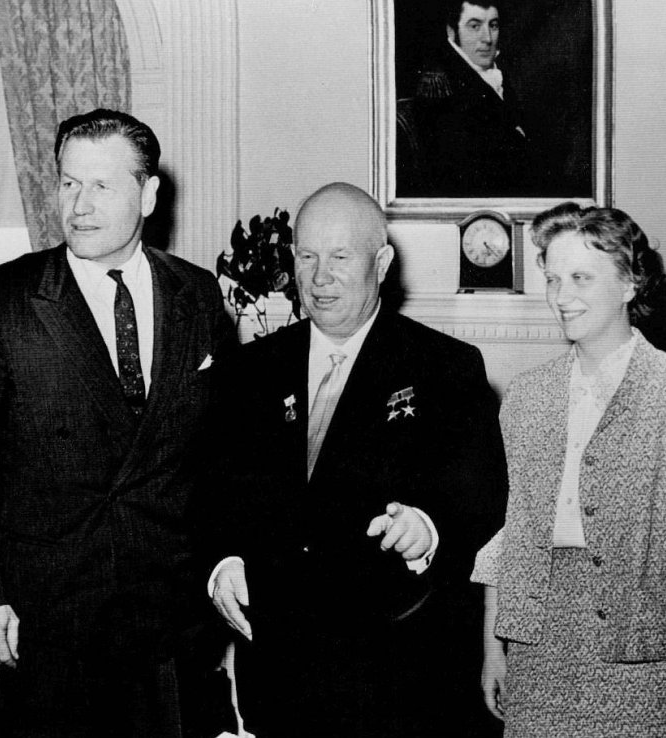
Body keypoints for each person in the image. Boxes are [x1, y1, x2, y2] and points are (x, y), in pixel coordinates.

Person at [0, 108, 237, 738]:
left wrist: (225, 561)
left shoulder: (199, 296)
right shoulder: (3, 301)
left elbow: (221, 453)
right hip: (48, 619)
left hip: (169, 617)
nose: (78, 204)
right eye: (68, 183)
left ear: (149, 194)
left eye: (102, 185)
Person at [200, 182, 507, 738]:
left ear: (382, 262)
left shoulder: (446, 367)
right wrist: (222, 563)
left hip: (397, 674)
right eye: (307, 256)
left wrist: (429, 527)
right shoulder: (249, 371)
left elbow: (481, 495)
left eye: (341, 257)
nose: (320, 277)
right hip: (277, 671)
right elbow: (212, 489)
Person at [473, 203, 666, 737]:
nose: (561, 296)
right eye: (552, 279)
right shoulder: (527, 395)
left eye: (580, 278)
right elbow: (512, 532)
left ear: (628, 284)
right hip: (536, 648)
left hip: (642, 655)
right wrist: (493, 647)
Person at [409, 0, 537, 197]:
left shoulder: (500, 72)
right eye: (475, 26)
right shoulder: (438, 84)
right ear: (452, 32)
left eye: (493, 25)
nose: (487, 38)